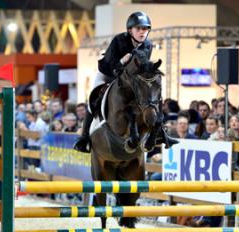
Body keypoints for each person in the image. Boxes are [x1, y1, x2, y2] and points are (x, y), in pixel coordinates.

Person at [74, 11, 177, 153]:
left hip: (130, 78)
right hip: (108, 73)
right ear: (130, 30)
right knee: (93, 97)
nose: (142, 32)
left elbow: (142, 68)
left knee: (151, 94)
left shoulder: (148, 45)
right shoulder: (119, 41)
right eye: (138, 29)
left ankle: (159, 131)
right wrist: (123, 60)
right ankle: (84, 138)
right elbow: (112, 67)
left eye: (145, 29)